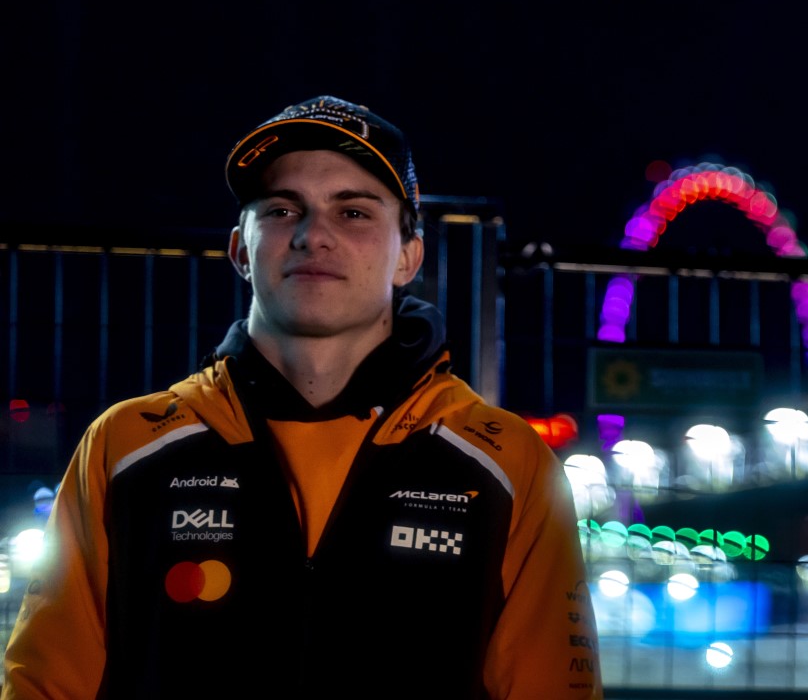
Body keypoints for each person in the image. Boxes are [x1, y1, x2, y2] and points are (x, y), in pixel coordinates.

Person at [3, 96, 602, 699]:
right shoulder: (126, 445)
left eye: (355, 213)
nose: (314, 236)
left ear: (408, 257)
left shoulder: (509, 463)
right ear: (241, 249)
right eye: (285, 209)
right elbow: (44, 686)